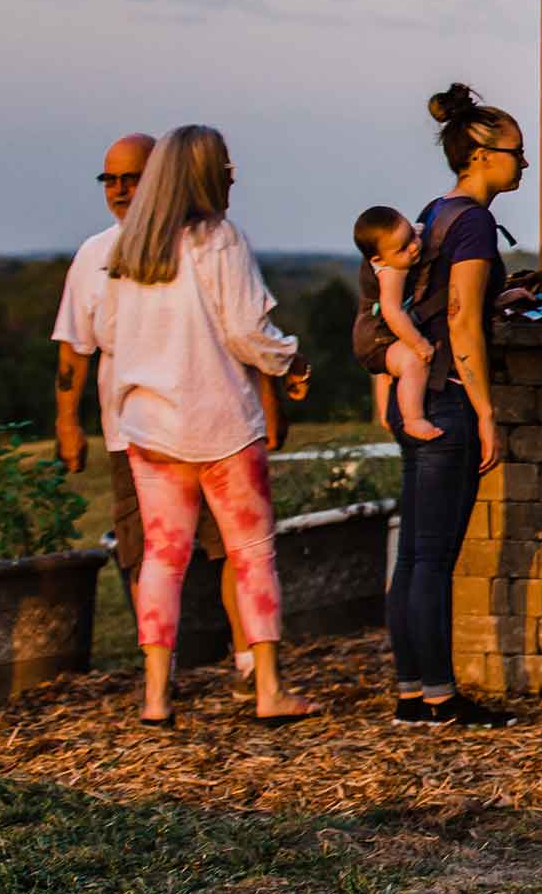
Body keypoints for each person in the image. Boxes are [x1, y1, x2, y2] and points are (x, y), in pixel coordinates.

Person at [94, 124, 318, 727]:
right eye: (226, 164)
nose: (233, 173)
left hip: (149, 426)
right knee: (251, 553)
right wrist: (290, 361)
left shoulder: (128, 249)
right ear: (205, 174)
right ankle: (268, 687)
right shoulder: (219, 239)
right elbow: (247, 330)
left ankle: (155, 696)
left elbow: (109, 337)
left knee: (163, 560)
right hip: (221, 424)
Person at [53, 133, 258, 697]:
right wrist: (67, 421)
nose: (119, 191)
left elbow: (239, 329)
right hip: (136, 433)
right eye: (109, 180)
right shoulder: (95, 255)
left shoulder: (204, 243)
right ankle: (159, 680)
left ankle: (249, 663)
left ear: (161, 176)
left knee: (233, 550)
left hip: (218, 424)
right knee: (148, 554)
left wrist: (266, 398)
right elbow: (74, 347)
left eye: (132, 177)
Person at [386, 83, 521, 729]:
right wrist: (486, 408)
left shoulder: (434, 212)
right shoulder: (473, 220)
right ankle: (442, 697)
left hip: (416, 393)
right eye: (516, 153)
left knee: (413, 552)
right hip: (449, 399)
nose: (523, 164)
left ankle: (413, 690)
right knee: (435, 557)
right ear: (481, 154)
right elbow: (463, 316)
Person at [348, 207, 440, 442]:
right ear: (378, 259)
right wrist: (419, 344)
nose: (413, 246)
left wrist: (417, 231)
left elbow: (411, 235)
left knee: (388, 370)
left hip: (378, 331)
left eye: (411, 235)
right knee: (413, 361)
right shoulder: (391, 272)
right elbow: (392, 311)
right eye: (403, 248)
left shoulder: (393, 250)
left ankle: (385, 414)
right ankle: (413, 419)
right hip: (376, 337)